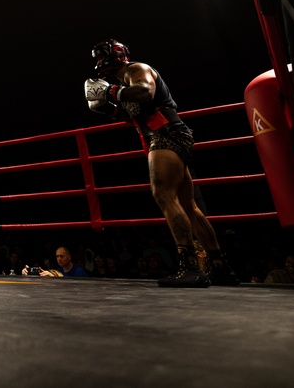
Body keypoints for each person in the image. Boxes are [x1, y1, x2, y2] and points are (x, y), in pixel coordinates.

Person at [84, 39, 238, 288]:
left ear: (117, 55)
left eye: (102, 56)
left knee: (164, 195)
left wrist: (110, 92)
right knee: (188, 205)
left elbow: (146, 93)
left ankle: (190, 267)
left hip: (166, 135)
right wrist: (107, 108)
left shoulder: (136, 70)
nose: (99, 62)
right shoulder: (124, 83)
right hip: (168, 135)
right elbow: (135, 115)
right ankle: (220, 267)